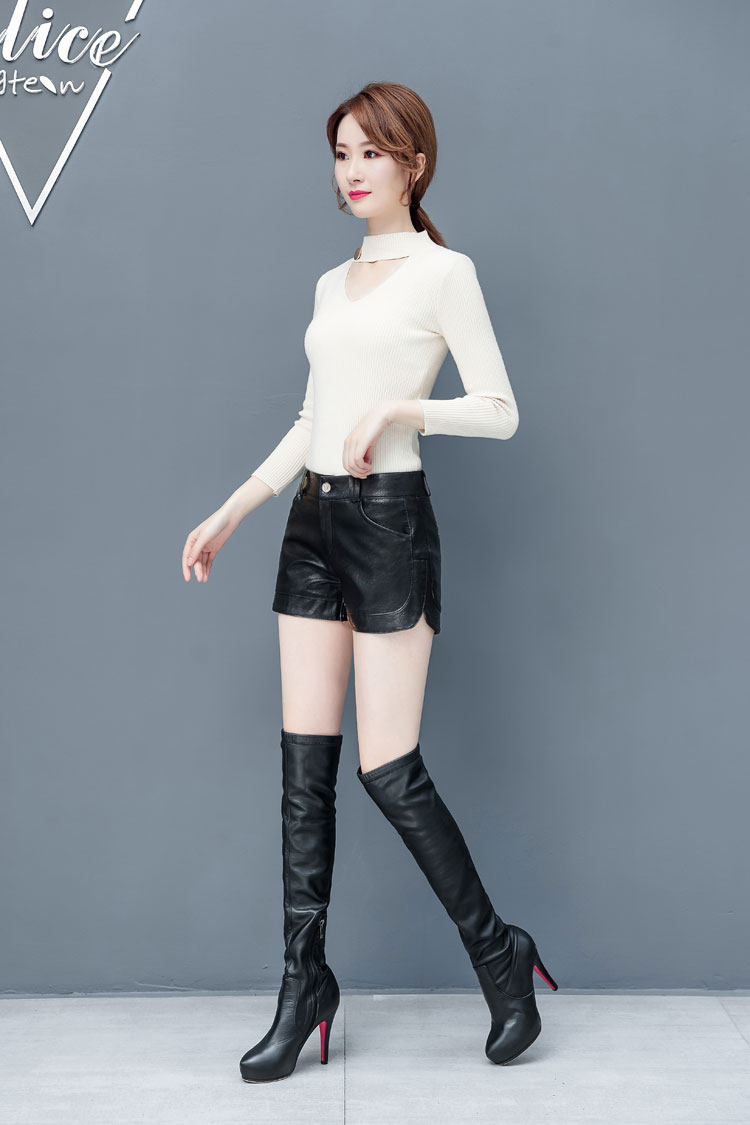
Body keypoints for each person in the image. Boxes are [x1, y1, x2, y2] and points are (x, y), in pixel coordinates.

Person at [181, 81, 558, 1083]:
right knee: (303, 766)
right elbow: (312, 420)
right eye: (342, 153)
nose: (352, 170)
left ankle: (501, 955)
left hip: (389, 525)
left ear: (414, 163)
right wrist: (234, 508)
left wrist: (404, 411)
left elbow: (500, 409)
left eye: (372, 152)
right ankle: (304, 982)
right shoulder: (330, 282)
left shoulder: (444, 274)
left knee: (387, 768)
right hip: (310, 524)